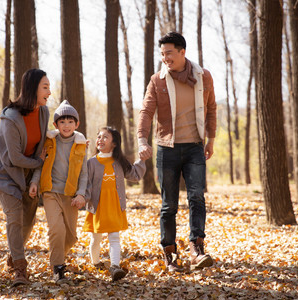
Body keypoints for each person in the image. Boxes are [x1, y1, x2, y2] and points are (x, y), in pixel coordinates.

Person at [137, 32, 217, 272]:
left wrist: (210, 139)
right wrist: (142, 140)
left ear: (183, 52)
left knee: (196, 197)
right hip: (167, 148)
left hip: (194, 146)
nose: (165, 58)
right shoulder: (157, 80)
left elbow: (211, 109)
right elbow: (146, 111)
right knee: (168, 204)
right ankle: (170, 254)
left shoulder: (203, 77)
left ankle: (196, 248)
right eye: (162, 54)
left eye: (169, 53)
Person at [0, 68, 51, 286]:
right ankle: (20, 270)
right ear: (32, 89)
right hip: (5, 172)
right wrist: (40, 163)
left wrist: (35, 179)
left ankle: (13, 255)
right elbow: (15, 158)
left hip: (28, 171)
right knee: (14, 217)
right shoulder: (10, 118)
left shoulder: (44, 113)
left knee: (28, 220)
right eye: (45, 87)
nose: (49, 92)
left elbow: (40, 150)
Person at [29, 100, 88, 284]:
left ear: (76, 124)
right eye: (62, 122)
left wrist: (81, 194)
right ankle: (58, 269)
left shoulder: (80, 143)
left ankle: (57, 257)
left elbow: (84, 174)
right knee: (57, 229)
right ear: (55, 125)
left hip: (70, 195)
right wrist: (34, 182)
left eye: (70, 122)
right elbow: (41, 164)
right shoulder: (50, 141)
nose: (66, 125)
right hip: (50, 192)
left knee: (71, 236)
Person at [82, 127, 149, 281]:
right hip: (97, 207)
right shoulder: (91, 162)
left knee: (114, 237)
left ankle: (115, 267)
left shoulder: (119, 162)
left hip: (114, 206)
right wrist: (81, 199)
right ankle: (96, 262)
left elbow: (134, 174)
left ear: (114, 144)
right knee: (96, 238)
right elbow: (86, 185)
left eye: (105, 137)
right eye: (99, 136)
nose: (100, 139)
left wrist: (142, 160)